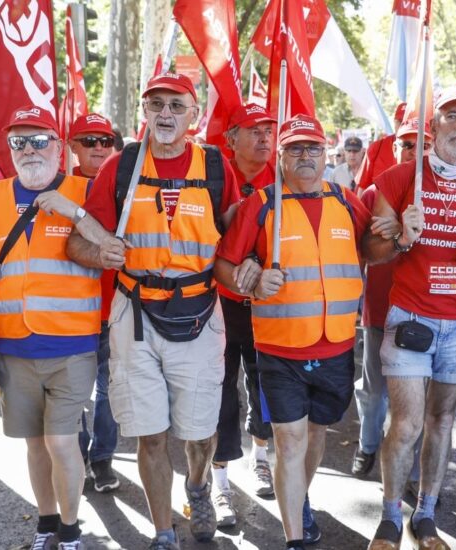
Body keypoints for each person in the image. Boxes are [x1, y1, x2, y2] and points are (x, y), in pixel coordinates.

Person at [65, 72, 240, 549]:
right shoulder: (121, 167)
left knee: (201, 432)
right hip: (135, 315)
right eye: (156, 104)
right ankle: (164, 531)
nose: (165, 114)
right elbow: (76, 241)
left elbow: (240, 237)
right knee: (151, 433)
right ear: (144, 112)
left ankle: (199, 485)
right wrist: (99, 253)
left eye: (176, 105)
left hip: (201, 313)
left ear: (194, 113)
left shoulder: (215, 166)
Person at [364, 83, 456, 550]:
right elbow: (370, 252)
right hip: (412, 317)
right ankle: (390, 516)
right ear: (432, 127)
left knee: (442, 420)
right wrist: (402, 238)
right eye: (452, 116)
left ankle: (426, 514)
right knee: (406, 424)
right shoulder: (399, 177)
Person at [215, 114, 373, 550]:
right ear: (280, 157)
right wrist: (251, 280)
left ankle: (299, 498)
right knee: (288, 440)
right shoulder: (263, 203)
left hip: (338, 347)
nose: (306, 156)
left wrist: (397, 239)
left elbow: (373, 248)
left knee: (316, 435)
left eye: (314, 148)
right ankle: (295, 540)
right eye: (295, 149)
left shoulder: (345, 200)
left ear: (327, 154)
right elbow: (224, 265)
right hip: (279, 348)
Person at [0, 106, 109, 550]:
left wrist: (73, 211)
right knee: (35, 445)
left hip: (72, 343)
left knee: (61, 440)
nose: (29, 150)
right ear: (9, 148)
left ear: (58, 144)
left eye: (38, 140)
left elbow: (113, 247)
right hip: (14, 345)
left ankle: (70, 531)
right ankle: (47, 523)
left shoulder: (86, 190)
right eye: (19, 142)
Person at [211, 103, 278, 528]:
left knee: (264, 385)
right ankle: (219, 482)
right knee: (219, 394)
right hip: (216, 303)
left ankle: (261, 457)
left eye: (269, 130)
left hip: (267, 308)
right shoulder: (214, 175)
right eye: (254, 130)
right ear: (231, 138)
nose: (265, 138)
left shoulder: (285, 178)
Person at [352, 117, 430, 477]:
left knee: (419, 399)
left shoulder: (444, 195)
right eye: (406, 144)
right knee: (374, 389)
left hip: (425, 312)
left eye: (422, 144)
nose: (413, 152)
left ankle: (413, 471)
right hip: (379, 309)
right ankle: (368, 444)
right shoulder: (373, 194)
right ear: (395, 148)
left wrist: (402, 229)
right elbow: (360, 251)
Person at [67, 112, 123, 493]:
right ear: (72, 147)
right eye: (89, 141)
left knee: (111, 390)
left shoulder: (125, 185)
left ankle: (102, 458)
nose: (99, 148)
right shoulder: (61, 188)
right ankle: (77, 454)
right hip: (68, 313)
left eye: (105, 140)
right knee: (72, 393)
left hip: (116, 309)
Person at [356, 102, 407, 193]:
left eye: (407, 122)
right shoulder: (376, 148)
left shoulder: (424, 149)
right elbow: (362, 188)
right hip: (377, 205)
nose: (404, 126)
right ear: (394, 122)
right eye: (400, 121)